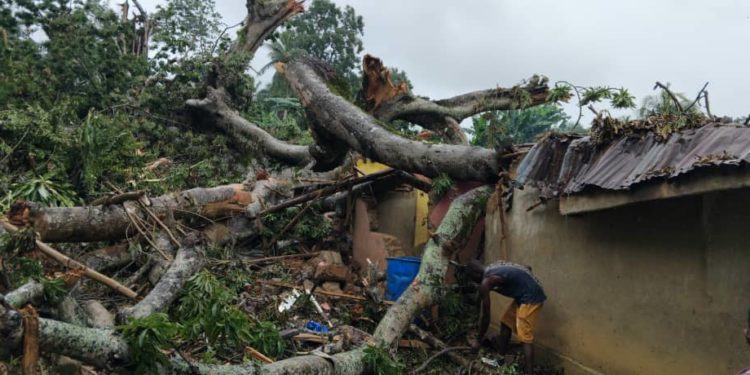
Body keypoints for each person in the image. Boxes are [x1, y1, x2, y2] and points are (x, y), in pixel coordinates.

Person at [467, 259, 546, 375]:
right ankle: (500, 361)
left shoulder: (487, 281)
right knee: (506, 323)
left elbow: (486, 316)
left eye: (473, 280)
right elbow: (527, 267)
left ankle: (530, 373)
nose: (476, 283)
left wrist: (478, 341)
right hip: (523, 295)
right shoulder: (494, 267)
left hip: (530, 298)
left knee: (525, 337)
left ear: (476, 274)